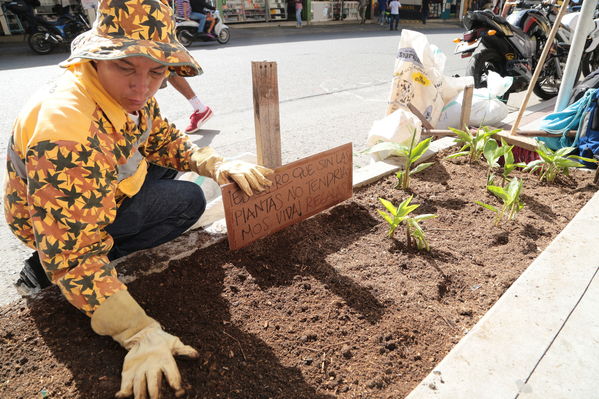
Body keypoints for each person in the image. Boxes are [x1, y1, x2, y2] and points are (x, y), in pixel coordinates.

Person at [3, 0, 272, 398]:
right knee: (187, 201)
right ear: (96, 59)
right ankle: (44, 271)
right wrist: (137, 330)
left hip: (98, 182)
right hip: (57, 222)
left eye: (157, 71)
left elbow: (161, 138)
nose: (142, 87)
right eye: (125, 66)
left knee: (179, 173)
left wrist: (216, 164)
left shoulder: (131, 97)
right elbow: (73, 254)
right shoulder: (66, 131)